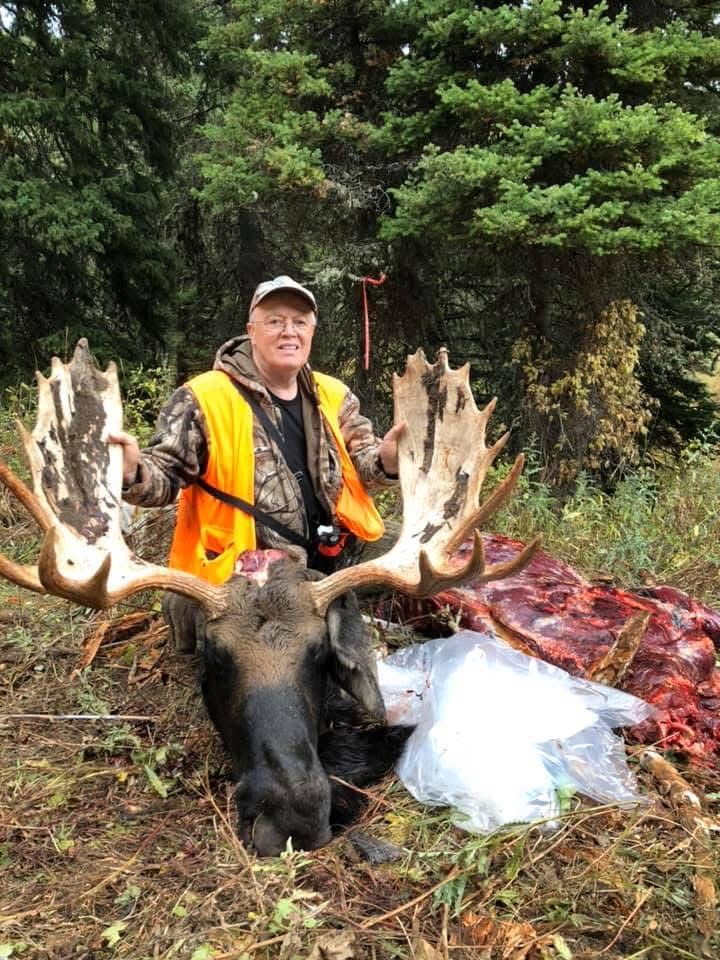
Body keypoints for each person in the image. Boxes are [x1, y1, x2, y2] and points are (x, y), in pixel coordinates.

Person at [112, 275, 403, 583]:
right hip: (239, 583)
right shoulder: (203, 399)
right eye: (274, 321)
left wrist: (387, 461)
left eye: (300, 322)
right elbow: (164, 476)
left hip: (324, 567)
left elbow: (363, 467)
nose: (289, 331)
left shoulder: (334, 395)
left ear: (312, 332)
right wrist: (132, 473)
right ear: (251, 331)